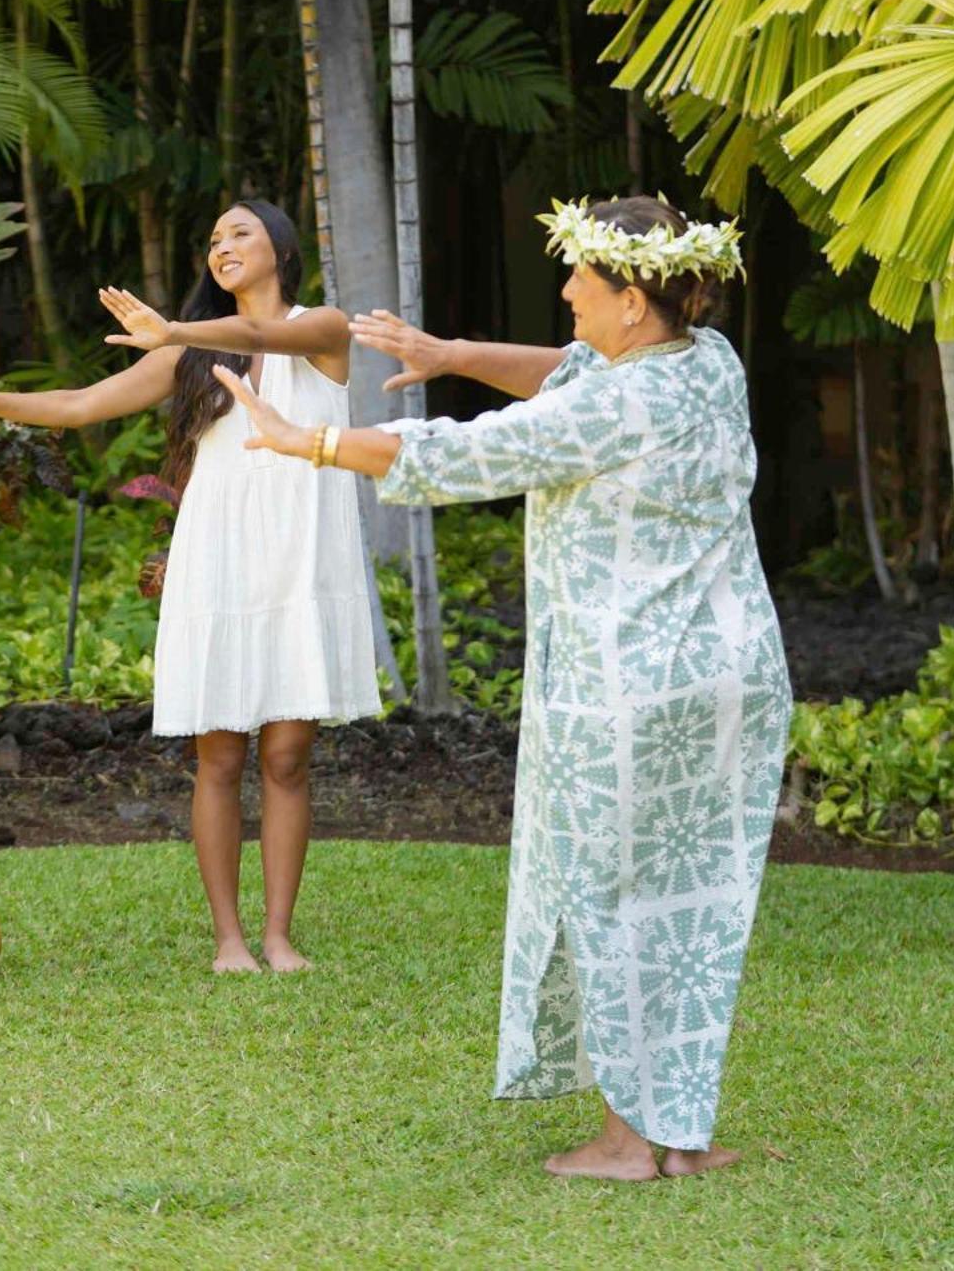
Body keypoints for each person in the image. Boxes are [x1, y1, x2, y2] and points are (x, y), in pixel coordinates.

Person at [213, 195, 793, 1178]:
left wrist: (305, 441)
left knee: (610, 897)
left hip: (623, 693)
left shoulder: (609, 407)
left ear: (633, 306)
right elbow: (561, 375)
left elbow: (462, 454)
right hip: (727, 681)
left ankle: (629, 1142)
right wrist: (449, 354)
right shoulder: (705, 364)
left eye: (582, 280)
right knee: (687, 908)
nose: (564, 291)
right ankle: (680, 1135)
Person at [0, 200, 380, 974]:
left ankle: (278, 935)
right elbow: (80, 405)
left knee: (290, 756)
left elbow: (266, 334)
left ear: (282, 248)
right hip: (220, 557)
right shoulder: (189, 355)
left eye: (239, 231)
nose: (222, 246)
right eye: (213, 238)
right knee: (221, 755)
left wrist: (177, 330)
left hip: (302, 559)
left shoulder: (323, 329)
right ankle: (231, 940)